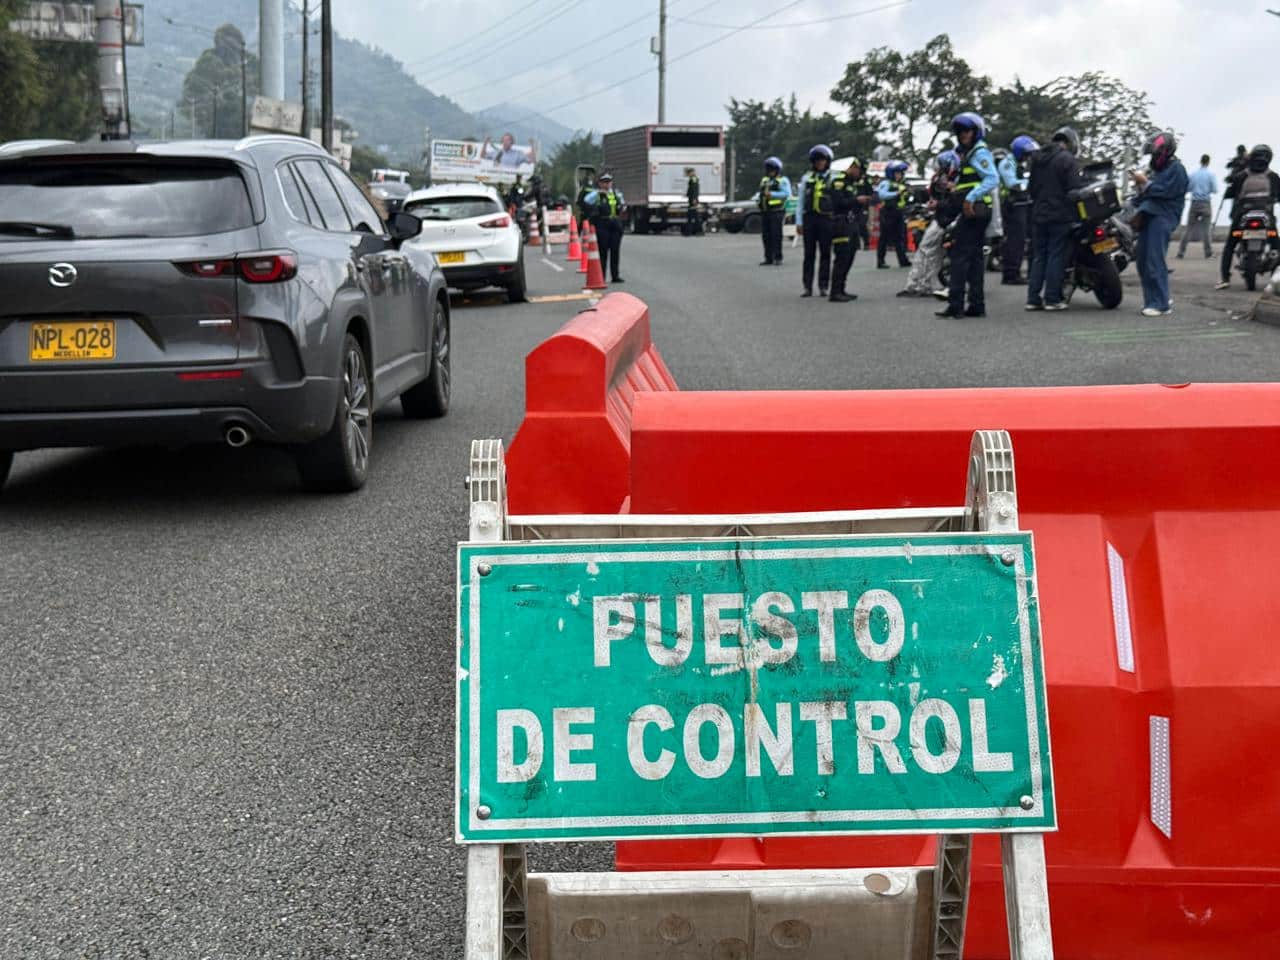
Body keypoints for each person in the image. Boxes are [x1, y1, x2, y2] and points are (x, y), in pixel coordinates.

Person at [937, 113, 998, 318]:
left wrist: (970, 197)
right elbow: (973, 181)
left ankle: (956, 305)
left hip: (975, 209)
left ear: (976, 132)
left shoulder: (979, 153)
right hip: (976, 209)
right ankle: (976, 305)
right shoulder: (969, 154)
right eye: (960, 131)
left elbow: (992, 179)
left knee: (959, 256)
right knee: (974, 259)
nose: (963, 134)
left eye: (967, 130)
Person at [1025, 127, 1085, 312]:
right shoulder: (1067, 160)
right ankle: (1052, 298)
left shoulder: (1037, 159)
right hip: (1060, 215)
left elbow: (1032, 189)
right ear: (1070, 142)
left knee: (1039, 257)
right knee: (1055, 256)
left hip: (1039, 214)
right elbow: (1074, 190)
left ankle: (1033, 299)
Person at [1131, 131, 1188, 316]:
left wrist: (1145, 183)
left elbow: (1163, 191)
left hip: (1163, 217)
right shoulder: (1159, 170)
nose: (1153, 158)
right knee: (1142, 259)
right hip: (1150, 216)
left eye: (1155, 153)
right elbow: (1147, 193)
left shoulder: (1177, 169)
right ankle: (1154, 298)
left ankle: (1160, 303)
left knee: (1154, 259)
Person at [1216, 144, 1280, 290]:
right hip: (1266, 220)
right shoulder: (1273, 176)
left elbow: (1230, 192)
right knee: (1276, 244)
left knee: (1230, 246)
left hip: (1242, 218)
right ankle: (1276, 277)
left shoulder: (1241, 176)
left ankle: (1225, 278)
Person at [899, 150, 961, 297]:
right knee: (934, 254)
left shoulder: (952, 181)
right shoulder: (945, 179)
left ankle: (918, 285)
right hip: (946, 219)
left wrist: (937, 204)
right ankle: (922, 284)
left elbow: (953, 203)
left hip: (945, 221)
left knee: (926, 250)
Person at [828, 156, 875, 302]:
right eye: (858, 170)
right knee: (842, 257)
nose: (860, 173)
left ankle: (842, 288)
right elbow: (838, 202)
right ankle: (835, 291)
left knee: (851, 254)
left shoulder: (853, 183)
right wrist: (856, 200)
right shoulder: (839, 182)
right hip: (840, 222)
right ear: (852, 168)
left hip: (852, 222)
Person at [796, 144, 836, 297]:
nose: (820, 163)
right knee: (809, 254)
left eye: (823, 160)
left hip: (826, 218)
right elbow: (800, 202)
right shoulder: (807, 179)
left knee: (825, 253)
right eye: (817, 160)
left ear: (827, 161)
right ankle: (807, 286)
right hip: (809, 219)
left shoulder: (833, 178)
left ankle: (823, 285)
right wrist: (799, 222)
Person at [999, 136, 1037, 284]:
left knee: (1024, 239)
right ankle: (1010, 274)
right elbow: (1012, 184)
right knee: (1015, 240)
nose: (1028, 157)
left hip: (1022, 204)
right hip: (1012, 205)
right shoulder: (1007, 163)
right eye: (1026, 154)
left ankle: (1020, 271)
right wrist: (1031, 182)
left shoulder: (1019, 164)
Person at [585, 172, 626, 283]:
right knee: (603, 251)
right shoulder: (596, 194)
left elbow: (622, 204)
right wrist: (598, 192)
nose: (607, 184)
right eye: (604, 182)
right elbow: (586, 200)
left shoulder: (616, 194)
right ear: (600, 183)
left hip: (615, 223)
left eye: (609, 182)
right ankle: (601, 276)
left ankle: (615, 275)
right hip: (602, 224)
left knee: (615, 251)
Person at [1179, 155, 1217, 260]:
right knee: (1206, 229)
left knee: (1188, 228)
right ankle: (1208, 253)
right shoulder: (1211, 175)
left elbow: (1188, 188)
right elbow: (1214, 189)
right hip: (1205, 202)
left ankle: (1181, 252)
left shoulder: (1193, 175)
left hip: (1194, 202)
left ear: (1200, 161)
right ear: (1208, 162)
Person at [875, 161, 912, 268]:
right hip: (887, 212)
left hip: (898, 212)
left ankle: (903, 260)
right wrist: (896, 193)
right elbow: (882, 195)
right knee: (884, 238)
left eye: (901, 173)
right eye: (898, 173)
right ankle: (880, 261)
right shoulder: (886, 183)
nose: (900, 175)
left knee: (899, 237)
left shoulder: (902, 184)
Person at [757, 156, 791, 266]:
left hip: (777, 211)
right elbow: (760, 193)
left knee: (776, 235)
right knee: (766, 235)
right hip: (765, 211)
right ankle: (768, 258)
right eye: (768, 170)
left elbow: (786, 194)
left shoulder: (782, 181)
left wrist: (772, 194)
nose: (770, 172)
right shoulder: (764, 180)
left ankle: (778, 257)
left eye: (772, 170)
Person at [685, 167, 702, 235]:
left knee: (693, 216)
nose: (688, 174)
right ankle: (693, 231)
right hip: (692, 199)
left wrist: (694, 199)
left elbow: (694, 189)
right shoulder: (692, 178)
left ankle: (693, 231)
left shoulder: (694, 178)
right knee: (693, 216)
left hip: (693, 200)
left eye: (689, 173)